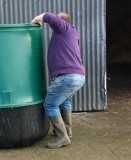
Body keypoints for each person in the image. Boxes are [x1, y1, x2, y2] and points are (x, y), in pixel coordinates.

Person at [31, 12, 85, 149]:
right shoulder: (72, 33)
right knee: (64, 102)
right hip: (76, 76)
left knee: (49, 105)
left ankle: (63, 138)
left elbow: (49, 17)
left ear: (62, 21)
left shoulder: (64, 28)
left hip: (68, 77)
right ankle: (67, 132)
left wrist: (37, 19)